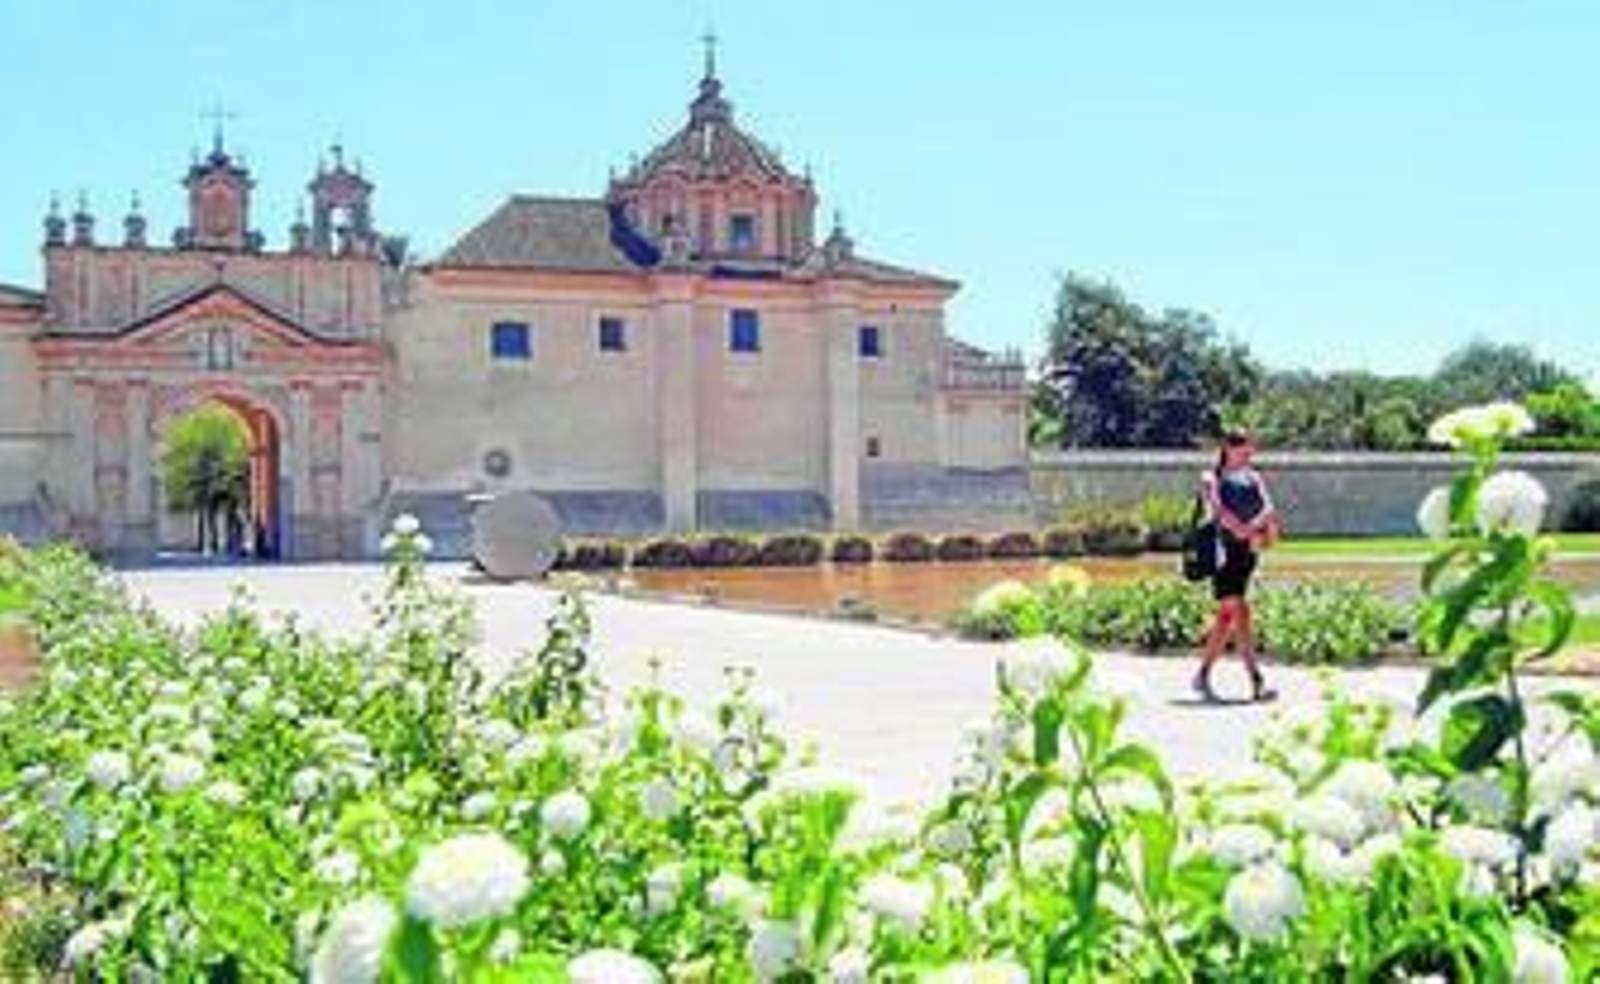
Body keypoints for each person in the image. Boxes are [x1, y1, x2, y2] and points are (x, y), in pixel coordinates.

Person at [1193, 431, 1280, 702]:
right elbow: (1217, 509)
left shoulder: (1254, 477)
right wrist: (1243, 529)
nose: (1248, 453)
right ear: (1227, 448)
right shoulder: (1211, 477)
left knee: (1225, 618)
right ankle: (1256, 680)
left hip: (1247, 553)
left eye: (1250, 449)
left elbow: (1269, 508)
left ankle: (1202, 674)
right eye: (1243, 448)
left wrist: (1250, 530)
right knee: (1240, 612)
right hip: (1223, 554)